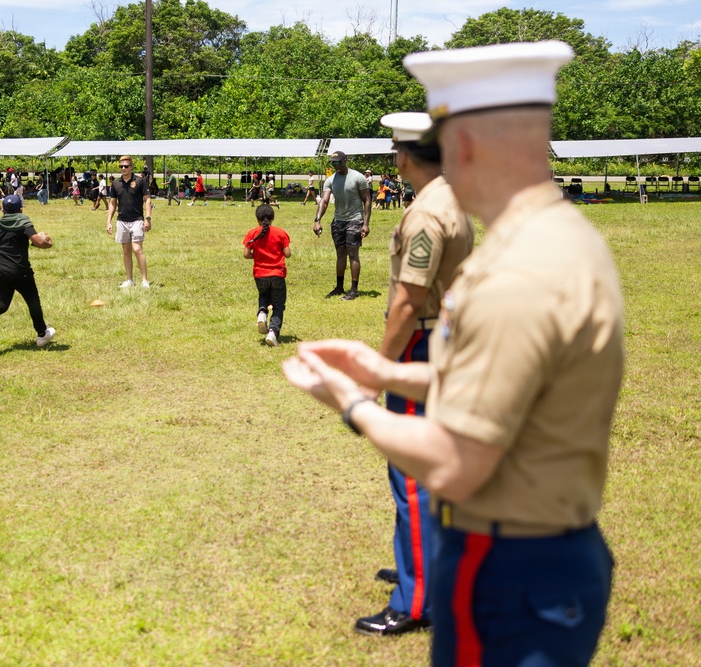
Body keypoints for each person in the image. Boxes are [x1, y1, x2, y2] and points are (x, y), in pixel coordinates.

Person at [284, 41, 622, 666]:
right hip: (546, 547)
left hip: (511, 564)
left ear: (463, 145)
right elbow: (509, 382)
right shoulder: (558, 237)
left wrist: (355, 404)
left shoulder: (518, 271)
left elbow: (456, 465)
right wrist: (385, 370)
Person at [351, 112, 474, 637]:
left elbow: (407, 302)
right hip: (446, 339)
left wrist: (376, 372)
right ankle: (420, 565)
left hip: (421, 344)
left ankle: (418, 596)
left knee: (412, 472)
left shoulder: (426, 212)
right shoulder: (452, 196)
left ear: (403, 156)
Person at [0, 195, 56, 347]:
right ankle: (42, 334)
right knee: (33, 302)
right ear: (20, 209)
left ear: (3, 209)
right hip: (20, 270)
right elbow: (39, 242)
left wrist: (5, 243)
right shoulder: (24, 223)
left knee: (1, 303)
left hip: (1, 270)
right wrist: (48, 243)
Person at [313, 151, 371, 300]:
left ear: (345, 160)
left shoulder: (358, 177)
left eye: (338, 162)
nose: (336, 165)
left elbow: (367, 200)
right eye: (333, 163)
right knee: (340, 254)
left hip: (355, 220)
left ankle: (354, 289)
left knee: (353, 254)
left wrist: (365, 223)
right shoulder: (330, 180)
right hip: (338, 221)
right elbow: (324, 201)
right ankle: (339, 287)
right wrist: (317, 220)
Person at [243, 203, 290, 347]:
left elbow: (246, 254)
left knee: (263, 295)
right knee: (278, 305)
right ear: (273, 218)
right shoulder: (281, 233)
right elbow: (287, 253)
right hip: (277, 274)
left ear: (257, 219)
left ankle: (262, 313)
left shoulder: (252, 233)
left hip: (260, 274)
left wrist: (258, 256)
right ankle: (273, 332)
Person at [105, 155, 152, 288]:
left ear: (131, 167)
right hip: (122, 221)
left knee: (137, 249)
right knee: (126, 251)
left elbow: (147, 200)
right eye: (121, 166)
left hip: (137, 220)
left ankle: (144, 281)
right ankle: (129, 280)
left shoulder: (140, 181)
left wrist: (148, 218)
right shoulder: (115, 184)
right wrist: (109, 221)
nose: (123, 168)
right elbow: (112, 203)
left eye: (126, 166)